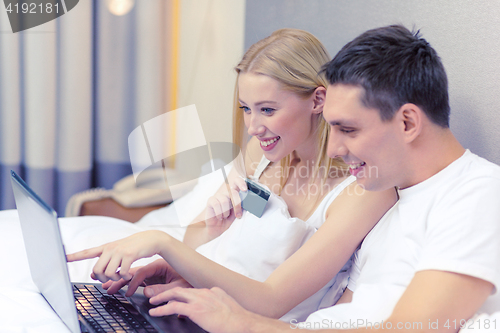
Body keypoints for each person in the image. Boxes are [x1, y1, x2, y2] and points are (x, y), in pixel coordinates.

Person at [113, 25, 500, 333]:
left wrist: (245, 324)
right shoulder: (391, 190)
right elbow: (340, 309)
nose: (333, 149)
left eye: (348, 130)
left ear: (407, 122)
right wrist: (195, 282)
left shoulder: (477, 193)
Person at [67, 28, 396, 322]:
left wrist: (162, 243)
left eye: (268, 109)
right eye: (246, 108)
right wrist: (185, 260)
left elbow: (271, 302)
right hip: (199, 308)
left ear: (317, 100)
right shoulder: (263, 155)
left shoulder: (362, 191)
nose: (253, 127)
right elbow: (197, 241)